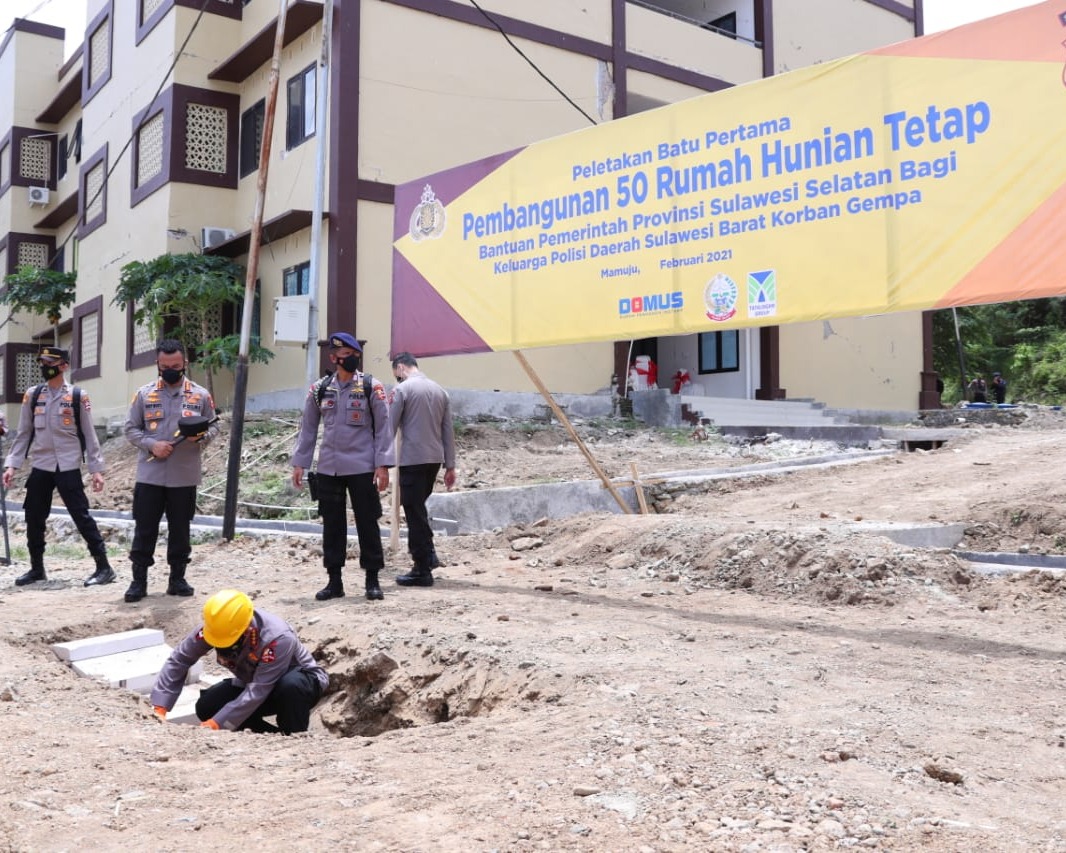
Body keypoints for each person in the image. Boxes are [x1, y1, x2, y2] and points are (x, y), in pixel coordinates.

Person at [291, 332, 393, 601]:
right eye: (345, 356)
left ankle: (372, 580)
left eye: (354, 355)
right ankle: (334, 581)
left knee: (367, 523)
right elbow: (308, 430)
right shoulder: (320, 389)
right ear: (334, 358)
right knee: (332, 526)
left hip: (362, 467)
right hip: (329, 469)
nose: (351, 360)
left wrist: (382, 465)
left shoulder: (372, 386)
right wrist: (300, 463)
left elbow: (384, 428)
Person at [2, 346, 115, 587]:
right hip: (41, 465)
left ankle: (104, 567)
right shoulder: (33, 395)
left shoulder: (77, 395)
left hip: (67, 466)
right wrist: (11, 466)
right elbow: (24, 434)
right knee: (34, 516)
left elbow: (89, 433)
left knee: (81, 516)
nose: (45, 367)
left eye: (50, 363)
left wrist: (96, 469)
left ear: (63, 366)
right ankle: (37, 569)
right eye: (42, 362)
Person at [151, 589, 328, 734]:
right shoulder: (217, 626)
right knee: (208, 705)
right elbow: (180, 659)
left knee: (290, 686)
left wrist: (217, 724)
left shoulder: (277, 637)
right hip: (254, 684)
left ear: (246, 630)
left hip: (299, 685)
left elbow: (260, 689)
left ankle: (294, 738)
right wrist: (160, 706)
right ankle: (269, 740)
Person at [123, 339, 218, 603]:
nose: (170, 370)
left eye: (175, 365)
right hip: (150, 476)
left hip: (184, 475)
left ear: (185, 363)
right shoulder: (144, 394)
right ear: (158, 364)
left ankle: (177, 579)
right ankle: (138, 581)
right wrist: (152, 445)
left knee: (180, 529)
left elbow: (214, 426)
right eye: (164, 367)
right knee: (145, 529)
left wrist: (200, 438)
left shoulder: (200, 395)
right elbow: (130, 429)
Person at [389, 352, 456, 588]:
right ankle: (429, 553)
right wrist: (451, 465)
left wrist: (380, 461)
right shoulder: (440, 391)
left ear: (400, 368)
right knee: (418, 509)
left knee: (414, 512)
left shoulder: (402, 390)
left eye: (395, 372)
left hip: (412, 459)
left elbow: (389, 427)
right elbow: (448, 431)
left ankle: (422, 567)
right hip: (434, 460)